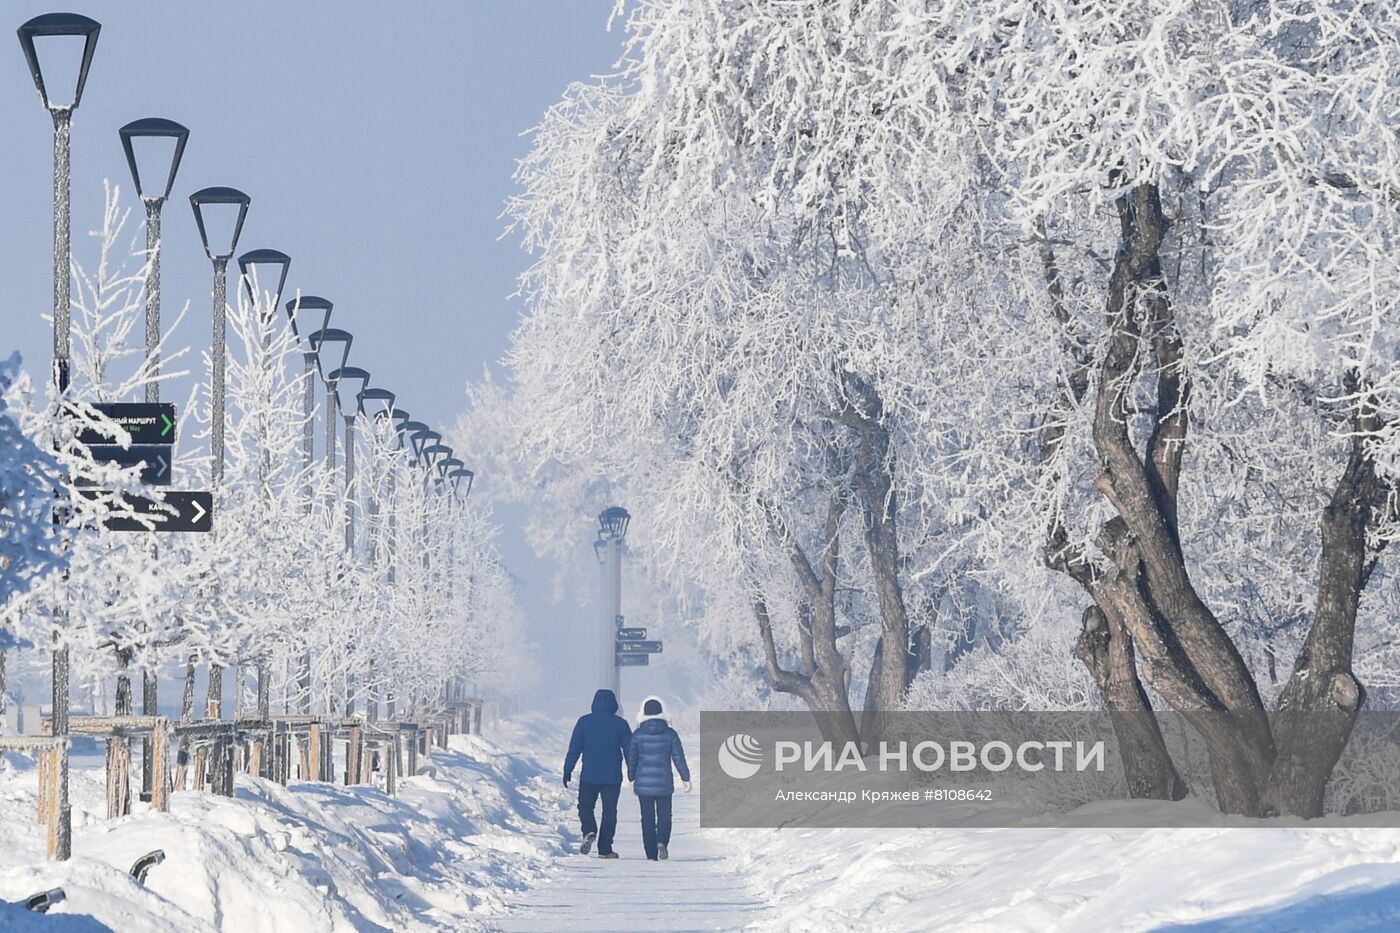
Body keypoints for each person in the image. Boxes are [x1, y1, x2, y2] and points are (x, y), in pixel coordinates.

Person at [563, 688, 631, 859]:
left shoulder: (584, 722)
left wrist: (567, 769)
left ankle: (589, 830)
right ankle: (605, 849)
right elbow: (630, 751)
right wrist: (633, 772)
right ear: (614, 704)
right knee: (609, 811)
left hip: (589, 775)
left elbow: (574, 749)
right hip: (612, 776)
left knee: (585, 806)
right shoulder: (621, 724)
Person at [625, 695, 691, 861]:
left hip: (643, 785)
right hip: (664, 783)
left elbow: (632, 759)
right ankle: (662, 841)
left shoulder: (637, 735)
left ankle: (651, 853)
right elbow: (679, 758)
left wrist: (631, 777)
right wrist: (686, 778)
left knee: (647, 818)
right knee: (665, 816)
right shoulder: (670, 734)